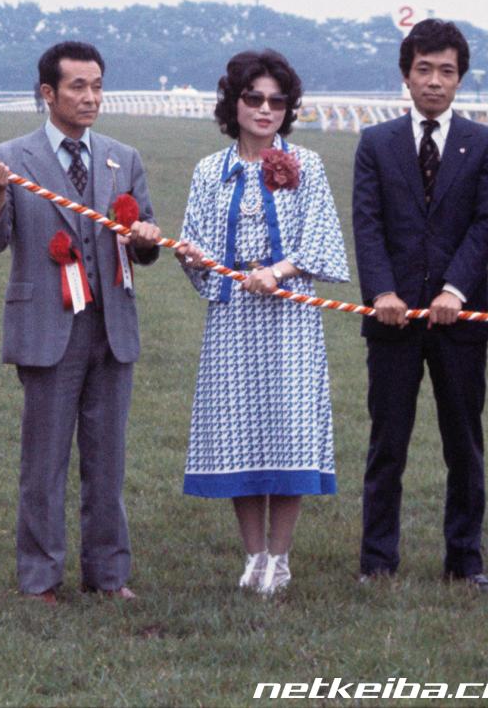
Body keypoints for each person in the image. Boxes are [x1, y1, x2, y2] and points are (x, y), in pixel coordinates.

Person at [0, 41, 162, 603]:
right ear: (48, 93)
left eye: (97, 85)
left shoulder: (123, 158)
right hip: (49, 331)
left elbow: (144, 242)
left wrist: (145, 237)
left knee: (107, 463)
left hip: (112, 329)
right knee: (44, 465)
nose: (91, 97)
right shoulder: (9, 157)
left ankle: (108, 575)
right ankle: (40, 579)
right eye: (78, 86)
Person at [173, 50, 349, 594]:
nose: (265, 109)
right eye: (254, 98)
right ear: (235, 103)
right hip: (232, 318)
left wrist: (279, 270)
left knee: (289, 431)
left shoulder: (309, 165)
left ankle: (281, 555)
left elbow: (320, 237)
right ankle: (253, 555)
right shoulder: (209, 170)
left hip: (290, 318)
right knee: (239, 433)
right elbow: (196, 237)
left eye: (277, 101)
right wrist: (190, 254)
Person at [352, 19, 488, 592]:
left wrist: (454, 292)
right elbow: (367, 225)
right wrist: (382, 294)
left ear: (460, 78)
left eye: (446, 71)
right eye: (424, 70)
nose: (434, 82)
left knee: (464, 444)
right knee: (387, 443)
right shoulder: (375, 143)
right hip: (391, 321)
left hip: (459, 322)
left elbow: (485, 223)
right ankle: (377, 563)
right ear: (405, 75)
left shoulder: (484, 144)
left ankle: (465, 562)